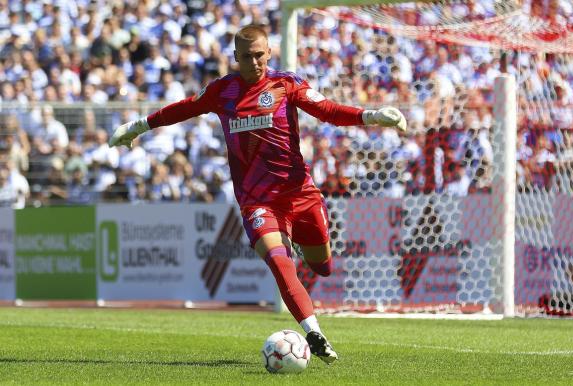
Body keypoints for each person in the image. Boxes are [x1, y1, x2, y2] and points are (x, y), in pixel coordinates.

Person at [109, 25, 406, 364]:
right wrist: (136, 127)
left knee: (321, 266)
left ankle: (300, 248)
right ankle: (314, 333)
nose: (255, 62)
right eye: (247, 56)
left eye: (260, 55)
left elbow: (328, 111)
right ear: (236, 58)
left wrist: (372, 116)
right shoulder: (223, 91)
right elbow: (181, 109)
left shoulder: (286, 85)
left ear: (269, 53)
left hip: (301, 195)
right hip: (258, 202)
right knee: (281, 264)